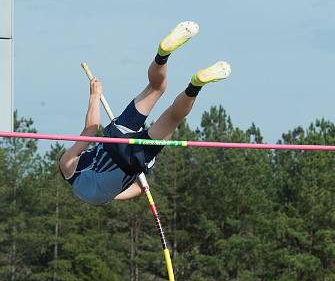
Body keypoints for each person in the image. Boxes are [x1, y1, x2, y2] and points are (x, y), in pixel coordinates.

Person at [59, 21, 231, 205]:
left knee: (173, 117)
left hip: (133, 160)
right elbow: (90, 130)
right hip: (116, 137)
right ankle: (162, 55)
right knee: (156, 87)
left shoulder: (103, 199)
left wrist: (141, 178)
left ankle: (196, 85)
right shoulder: (67, 165)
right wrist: (95, 96)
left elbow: (140, 189)